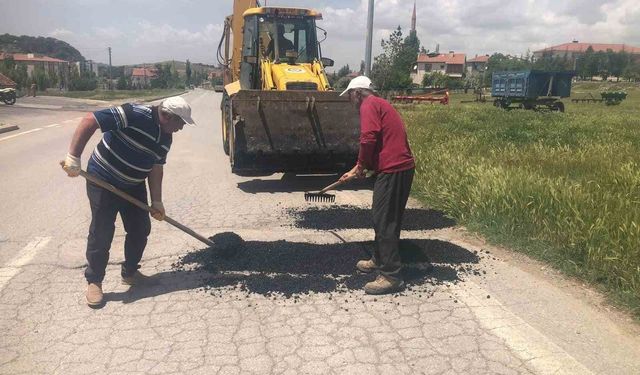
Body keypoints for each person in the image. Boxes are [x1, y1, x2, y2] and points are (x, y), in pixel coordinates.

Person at [62, 96, 195, 306]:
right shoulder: (134, 114)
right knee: (102, 230)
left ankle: (130, 272)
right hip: (102, 179)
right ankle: (94, 282)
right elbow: (90, 120)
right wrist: (74, 157)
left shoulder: (165, 137)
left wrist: (157, 201)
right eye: (180, 123)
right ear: (167, 116)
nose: (181, 128)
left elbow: (156, 167)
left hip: (133, 185)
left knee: (140, 228)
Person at [339, 76, 416, 295]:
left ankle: (391, 276)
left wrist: (360, 165)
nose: (350, 101)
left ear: (357, 93)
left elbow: (368, 138)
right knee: (383, 217)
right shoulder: (380, 104)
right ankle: (380, 258)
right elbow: (383, 141)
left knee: (384, 220)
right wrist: (368, 168)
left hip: (395, 169)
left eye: (350, 96)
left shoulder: (369, 104)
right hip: (395, 168)